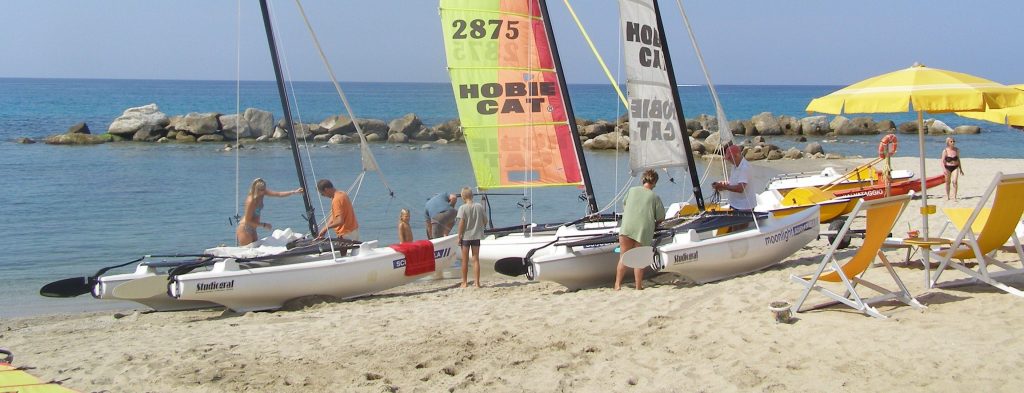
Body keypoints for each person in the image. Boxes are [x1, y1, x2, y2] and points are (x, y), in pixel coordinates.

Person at [615, 169, 665, 291]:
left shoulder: (632, 190)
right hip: (643, 230)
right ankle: (638, 286)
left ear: (643, 179)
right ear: (655, 182)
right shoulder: (654, 197)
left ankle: (617, 285)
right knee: (639, 259)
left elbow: (625, 204)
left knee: (623, 257)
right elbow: (660, 217)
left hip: (627, 227)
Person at [236, 178, 303, 246]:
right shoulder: (251, 201)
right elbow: (248, 220)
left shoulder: (262, 193)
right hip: (245, 228)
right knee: (247, 250)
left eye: (264, 189)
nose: (264, 191)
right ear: (256, 189)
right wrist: (264, 225)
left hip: (253, 228)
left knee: (255, 248)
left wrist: (294, 192)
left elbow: (278, 194)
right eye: (262, 190)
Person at [456, 187, 488, 288]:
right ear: (472, 196)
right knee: (476, 259)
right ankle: (477, 283)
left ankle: (464, 282)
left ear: (463, 197)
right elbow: (485, 221)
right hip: (476, 236)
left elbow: (461, 223)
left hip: (466, 237)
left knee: (465, 260)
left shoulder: (462, 208)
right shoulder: (479, 206)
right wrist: (479, 225)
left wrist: (459, 236)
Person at [712, 144, 753, 212]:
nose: (728, 160)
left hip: (744, 207)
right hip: (735, 205)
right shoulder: (735, 166)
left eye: (729, 158)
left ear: (737, 155)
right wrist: (723, 184)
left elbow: (740, 188)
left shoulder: (744, 168)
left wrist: (724, 187)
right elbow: (735, 182)